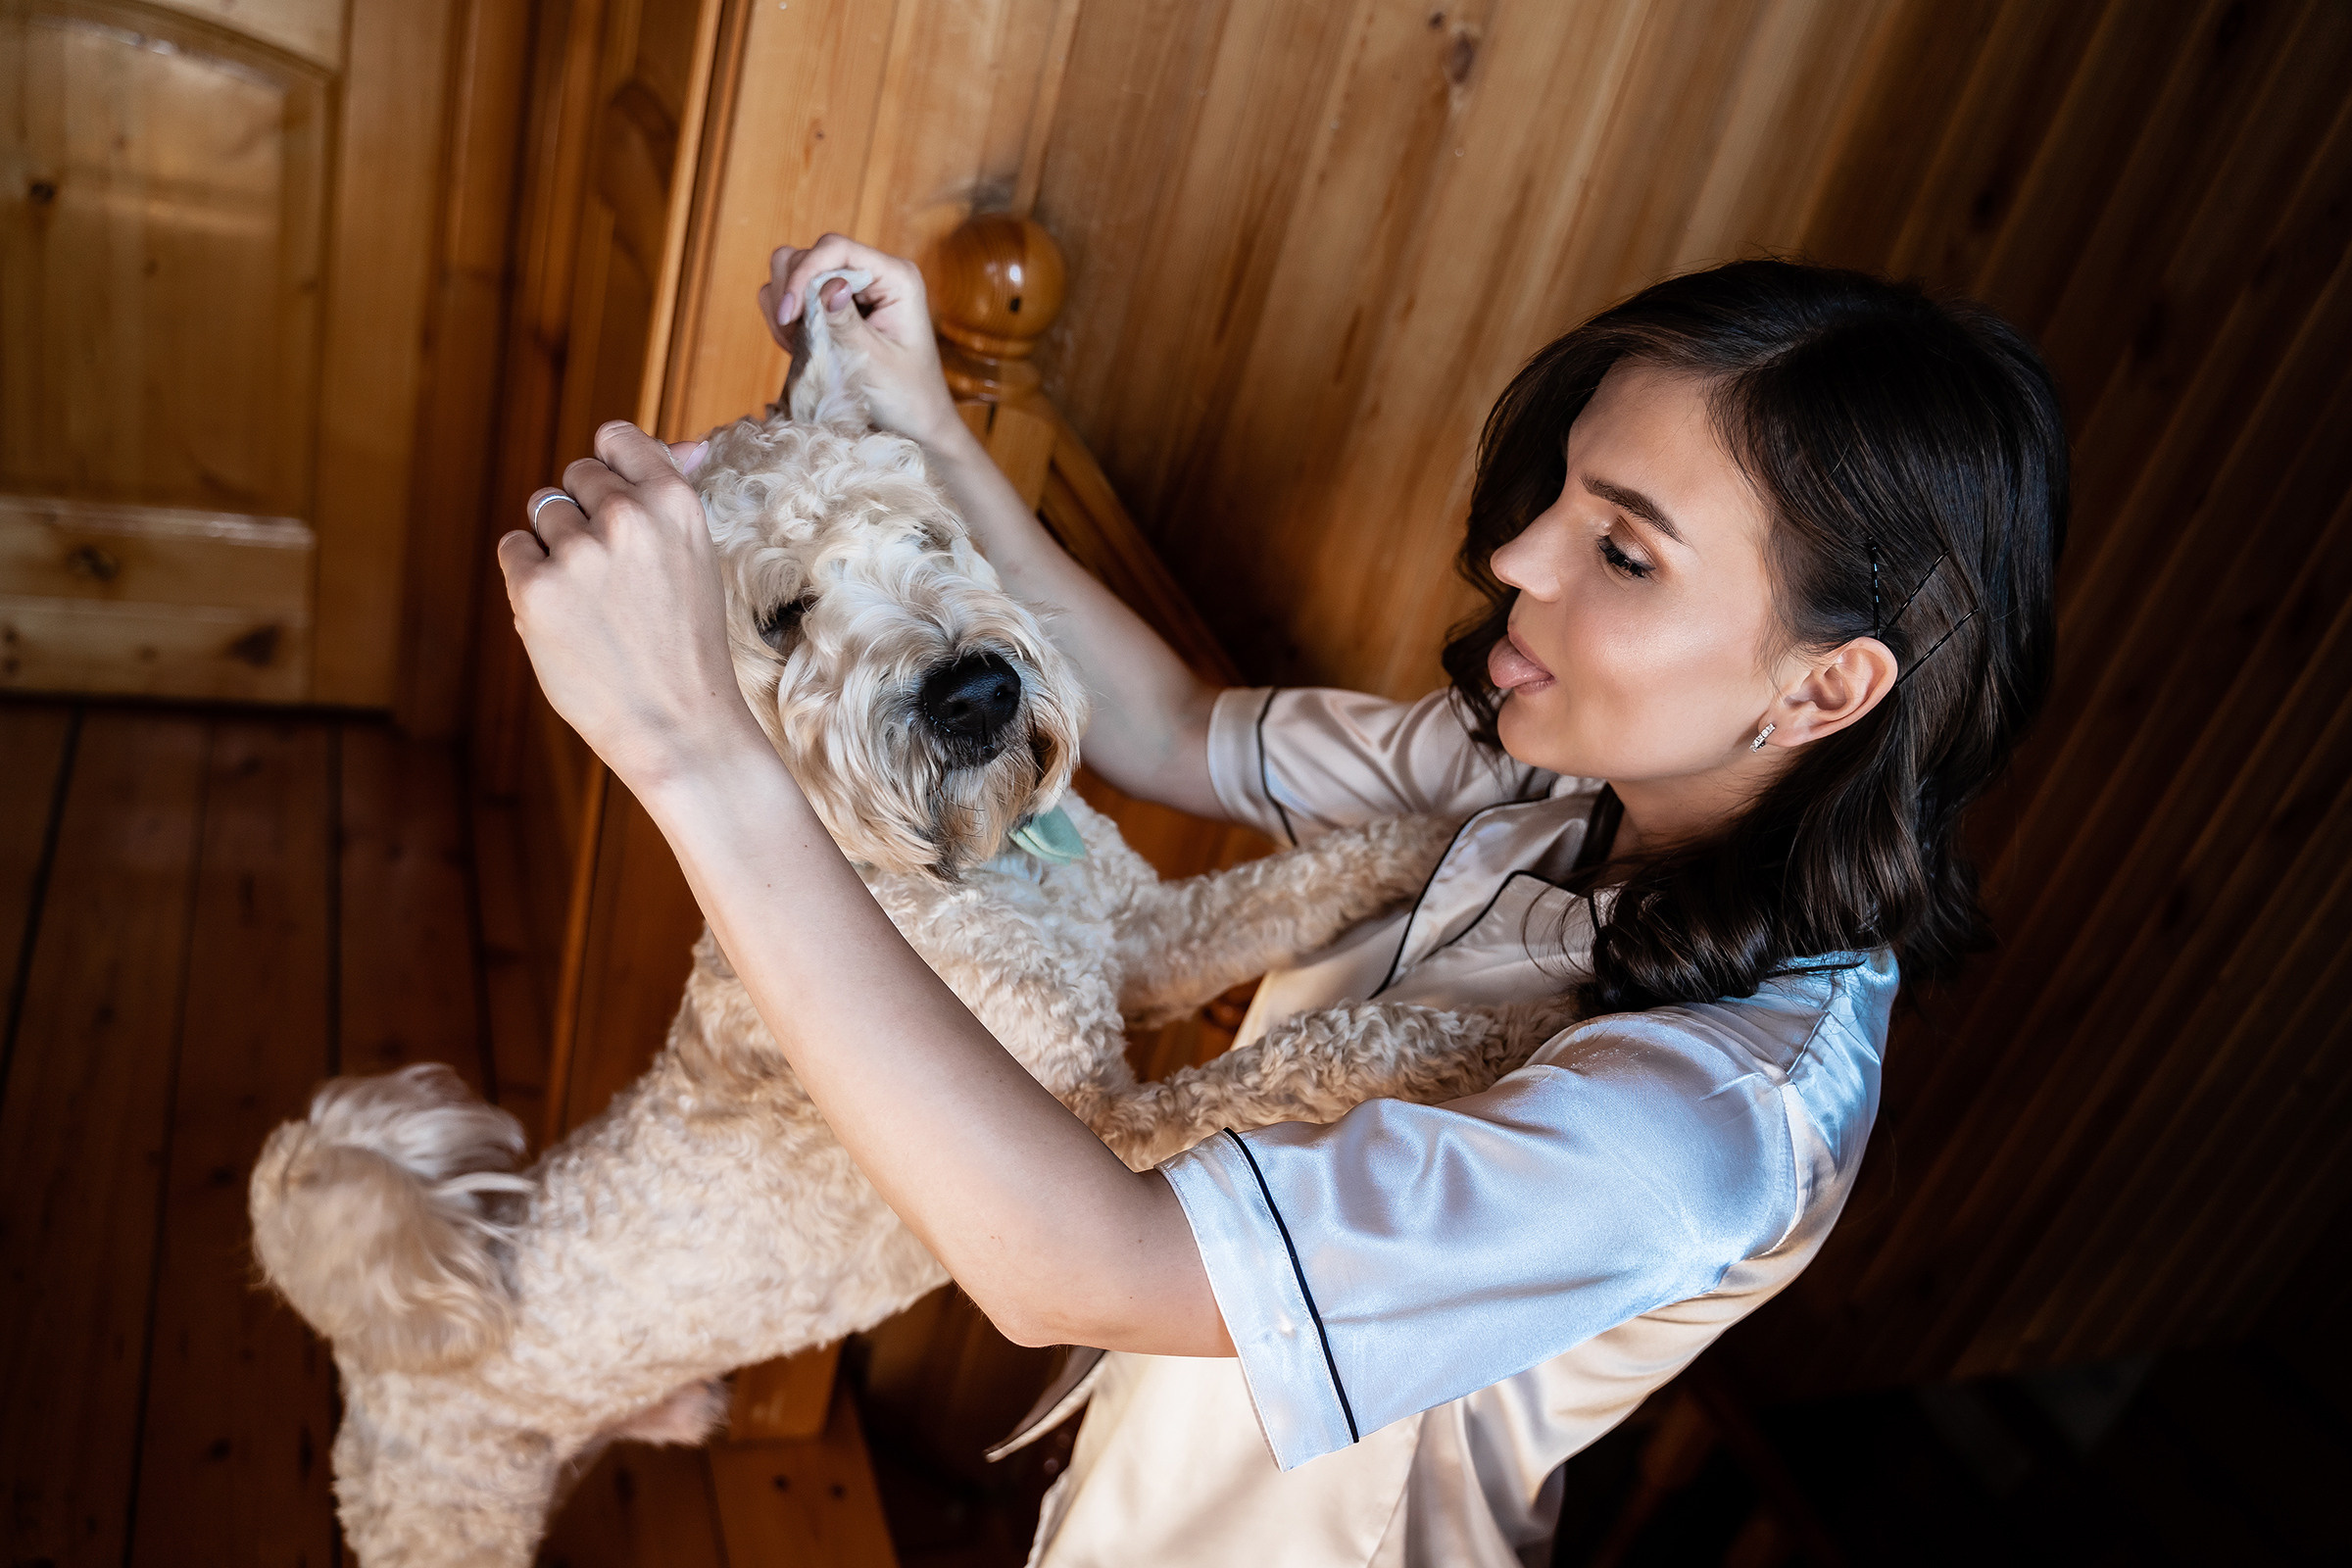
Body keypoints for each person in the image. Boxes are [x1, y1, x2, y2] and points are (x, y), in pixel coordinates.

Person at [498, 238, 2067, 1566]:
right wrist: (923, 423)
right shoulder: (1555, 769)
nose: (1514, 554)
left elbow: (1076, 1267)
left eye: (1623, 551)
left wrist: (695, 755)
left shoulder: (1706, 1128)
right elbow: (1180, 728)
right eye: (1560, 496)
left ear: (1829, 684)